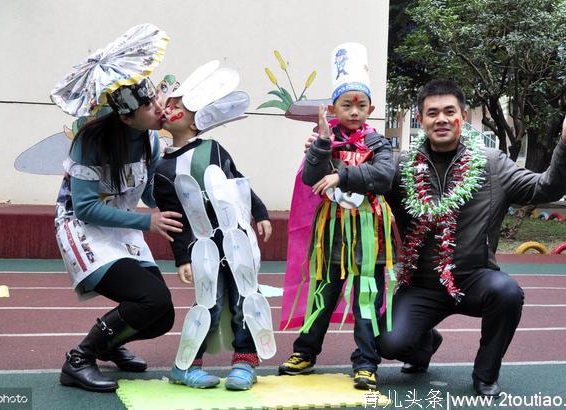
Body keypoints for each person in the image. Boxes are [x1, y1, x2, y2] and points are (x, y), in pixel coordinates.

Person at [378, 80, 566, 397]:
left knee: (507, 293)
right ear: (420, 120)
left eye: (450, 111)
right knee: (389, 343)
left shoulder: (493, 164)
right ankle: (424, 345)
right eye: (432, 113)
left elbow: (545, 187)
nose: (442, 119)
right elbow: (358, 186)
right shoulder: (401, 167)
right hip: (421, 283)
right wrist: (325, 155)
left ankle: (485, 375)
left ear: (462, 116)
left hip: (474, 277)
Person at [54, 77, 184, 392]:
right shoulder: (91, 141)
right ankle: (79, 359)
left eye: (156, 99)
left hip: (124, 225)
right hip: (83, 229)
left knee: (162, 315)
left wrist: (178, 170)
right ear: (126, 116)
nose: (159, 107)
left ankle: (108, 345)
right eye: (148, 106)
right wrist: (147, 223)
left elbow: (152, 197)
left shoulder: (151, 140)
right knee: (150, 299)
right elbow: (84, 208)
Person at [278, 43, 395, 390]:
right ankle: (305, 351)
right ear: (332, 108)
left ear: (371, 108)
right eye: (347, 105)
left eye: (361, 106)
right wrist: (321, 147)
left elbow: (384, 177)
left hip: (369, 238)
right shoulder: (323, 140)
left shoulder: (379, 145)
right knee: (322, 293)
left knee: (366, 299)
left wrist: (342, 174)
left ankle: (366, 362)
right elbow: (311, 178)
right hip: (331, 236)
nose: (355, 112)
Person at [153, 64, 273, 391]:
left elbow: (238, 184)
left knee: (245, 298)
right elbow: (172, 216)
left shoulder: (213, 149)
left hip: (236, 240)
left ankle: (244, 363)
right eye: (170, 105)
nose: (170, 109)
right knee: (209, 303)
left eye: (178, 106)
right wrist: (182, 258)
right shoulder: (162, 168)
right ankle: (187, 365)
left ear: (195, 120)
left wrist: (260, 213)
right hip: (201, 247)